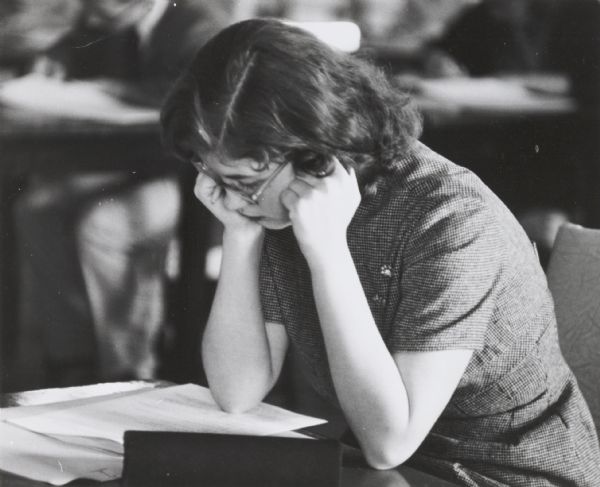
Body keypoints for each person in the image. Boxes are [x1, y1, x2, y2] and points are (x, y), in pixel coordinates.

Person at [160, 19, 600, 486]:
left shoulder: (451, 219)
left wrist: (328, 252)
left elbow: (390, 441)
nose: (228, 198)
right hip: (390, 471)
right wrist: (240, 235)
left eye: (243, 184)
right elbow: (237, 391)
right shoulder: (283, 204)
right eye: (214, 178)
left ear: (317, 154)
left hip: (508, 476)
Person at [15, 0, 237, 384]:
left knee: (106, 224)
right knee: (37, 208)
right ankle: (72, 362)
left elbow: (189, 101)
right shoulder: (110, 21)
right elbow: (66, 54)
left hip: (194, 176)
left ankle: (127, 373)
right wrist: (55, 63)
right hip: (128, 167)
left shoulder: (198, 24)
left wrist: (98, 91)